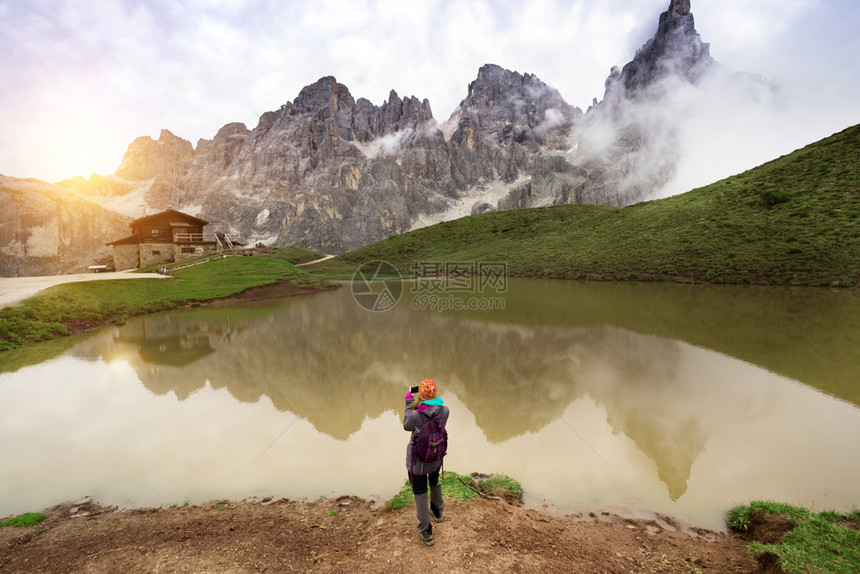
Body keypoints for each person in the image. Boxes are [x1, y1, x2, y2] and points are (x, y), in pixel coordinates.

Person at [404, 378, 449, 547]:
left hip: (418, 463)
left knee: (421, 493)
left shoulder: (415, 415)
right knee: (435, 482)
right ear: (435, 393)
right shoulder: (445, 410)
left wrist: (409, 402)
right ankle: (438, 513)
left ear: (420, 395)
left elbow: (406, 425)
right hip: (436, 457)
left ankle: (426, 531)